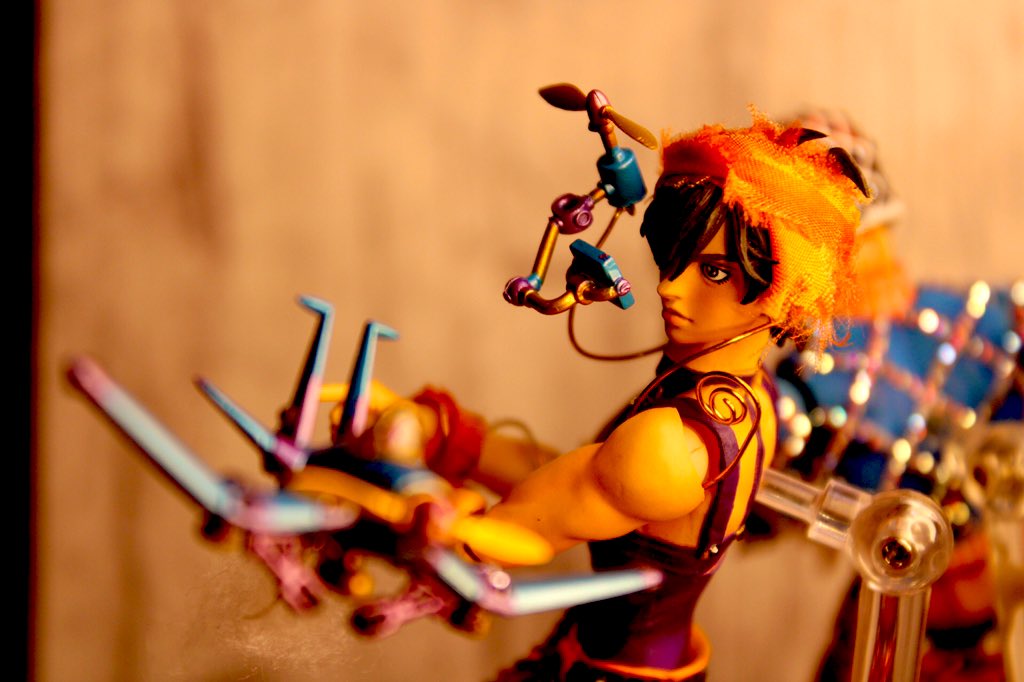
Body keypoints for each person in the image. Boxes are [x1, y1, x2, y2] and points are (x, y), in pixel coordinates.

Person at [343, 110, 866, 681]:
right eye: (674, 255)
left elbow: (528, 527)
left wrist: (415, 510)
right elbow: (571, 481)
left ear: (783, 292)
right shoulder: (744, 393)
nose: (668, 286)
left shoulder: (670, 444)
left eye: (714, 272)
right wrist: (449, 438)